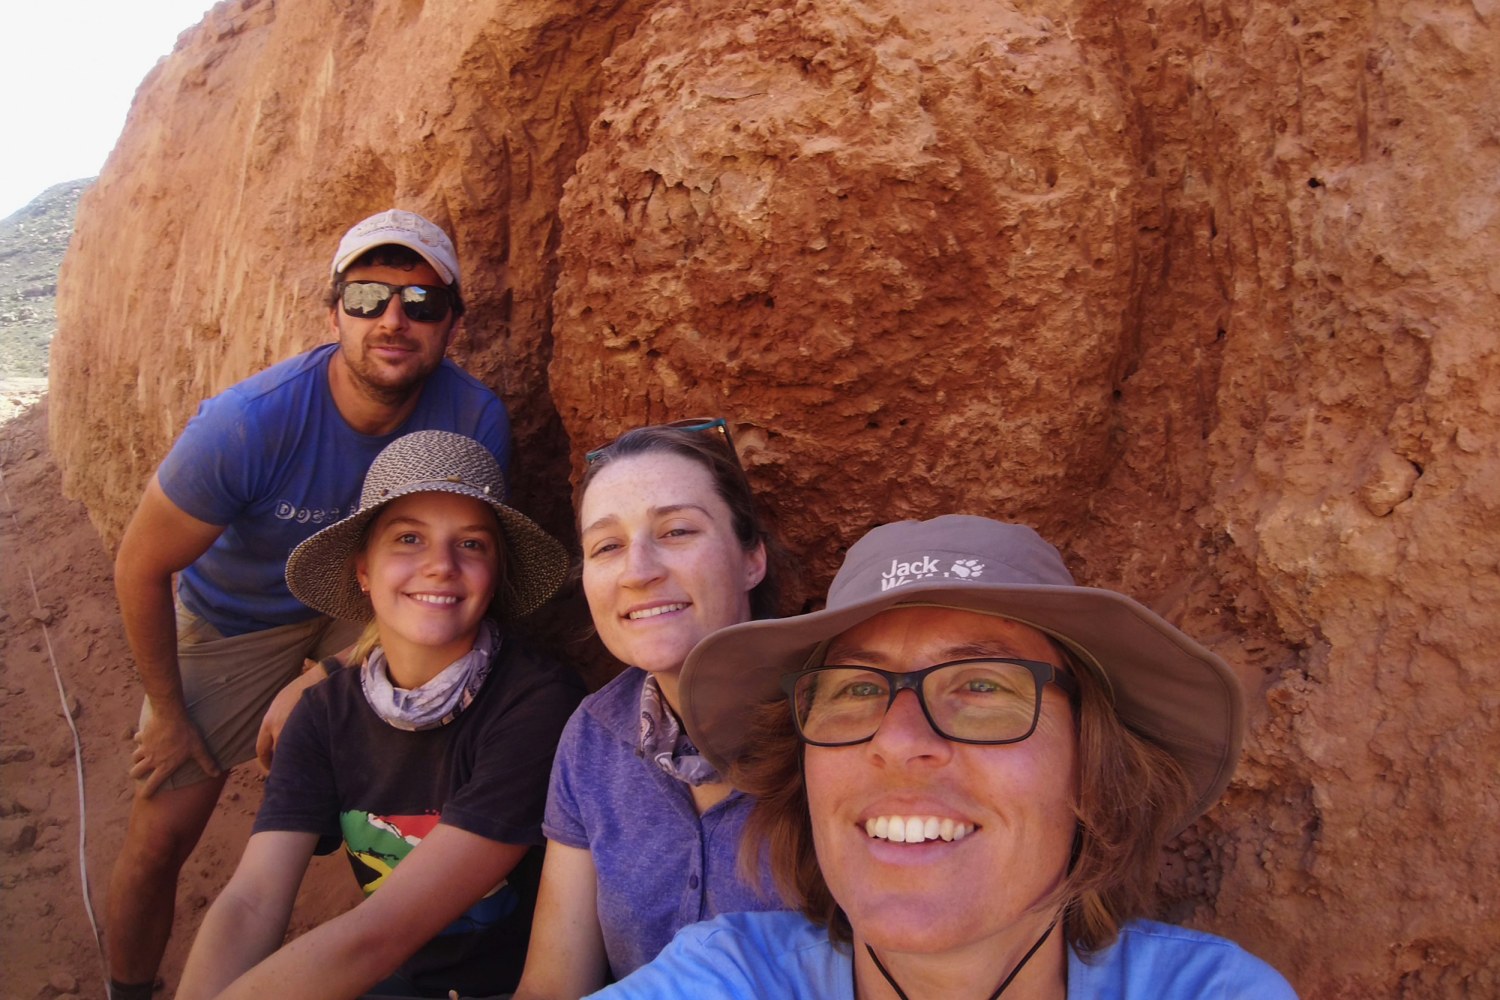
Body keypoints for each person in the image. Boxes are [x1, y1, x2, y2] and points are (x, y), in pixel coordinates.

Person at [593, 514, 1299, 999]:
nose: (898, 742)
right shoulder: (730, 977)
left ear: (1093, 768)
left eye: (984, 686)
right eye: (856, 689)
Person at [106, 209, 512, 1000]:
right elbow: (140, 567)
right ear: (335, 314)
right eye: (368, 297)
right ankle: (127, 988)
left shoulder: (472, 419)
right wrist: (168, 708)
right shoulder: (248, 425)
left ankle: (399, 899)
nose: (394, 320)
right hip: (236, 617)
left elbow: (459, 573)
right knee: (160, 835)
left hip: (366, 605)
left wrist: (324, 674)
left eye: (422, 303)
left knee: (435, 677)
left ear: (453, 326)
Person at [176, 430, 581, 999]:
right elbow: (251, 900)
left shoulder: (536, 705)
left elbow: (379, 934)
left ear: (497, 576)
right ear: (363, 571)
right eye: (409, 538)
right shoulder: (323, 714)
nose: (440, 565)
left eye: (471, 544)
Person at [511, 419, 790, 999]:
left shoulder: (839, 733)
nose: (639, 571)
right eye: (607, 546)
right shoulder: (593, 737)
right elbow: (553, 982)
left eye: (678, 530)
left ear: (752, 558)